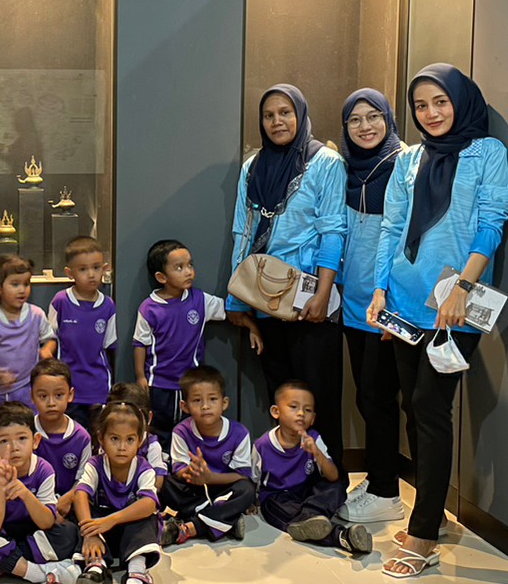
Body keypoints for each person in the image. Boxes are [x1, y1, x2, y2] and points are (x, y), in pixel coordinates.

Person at [367, 63, 508, 579]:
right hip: (405, 300)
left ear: (460, 101)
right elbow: (391, 228)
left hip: (456, 305)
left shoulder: (487, 152)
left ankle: (424, 532)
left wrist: (464, 289)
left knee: (430, 409)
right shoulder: (409, 158)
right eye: (421, 105)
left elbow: (492, 223)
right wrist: (379, 289)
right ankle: (433, 515)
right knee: (415, 407)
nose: (430, 113)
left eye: (440, 102)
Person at [226, 84, 348, 474]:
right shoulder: (253, 166)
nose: (277, 121)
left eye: (285, 113)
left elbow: (333, 231)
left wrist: (323, 293)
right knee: (281, 393)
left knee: (317, 395)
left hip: (310, 298)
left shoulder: (325, 162)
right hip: (265, 297)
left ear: (300, 114)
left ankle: (328, 482)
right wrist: (236, 299)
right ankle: (286, 478)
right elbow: (243, 231)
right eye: (268, 115)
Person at [333, 89, 412, 526]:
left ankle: (387, 492)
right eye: (355, 120)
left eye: (373, 116)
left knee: (380, 396)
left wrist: (391, 301)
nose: (365, 127)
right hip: (353, 305)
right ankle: (380, 479)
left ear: (389, 120)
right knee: (367, 396)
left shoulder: (405, 165)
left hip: (389, 303)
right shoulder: (346, 171)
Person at [0, 402, 82, 584]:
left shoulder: (44, 469)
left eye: (22, 438)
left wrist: (25, 493)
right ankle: (35, 573)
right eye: (4, 441)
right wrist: (1, 487)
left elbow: (47, 522)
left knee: (68, 533)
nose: (14, 447)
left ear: (36, 441)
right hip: (4, 532)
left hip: (35, 532)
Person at [252, 381, 371, 556]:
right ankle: (343, 537)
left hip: (308, 493)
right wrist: (250, 503)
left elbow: (333, 477)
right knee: (274, 506)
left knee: (336, 486)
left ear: (313, 418)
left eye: (307, 410)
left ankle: (310, 517)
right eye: (293, 407)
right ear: (276, 411)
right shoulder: (262, 445)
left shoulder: (314, 438)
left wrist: (317, 453)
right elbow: (253, 478)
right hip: (279, 496)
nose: (301, 413)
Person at [132, 238, 228, 452]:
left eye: (190, 265)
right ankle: (161, 466)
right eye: (179, 267)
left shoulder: (200, 300)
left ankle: (187, 466)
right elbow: (140, 343)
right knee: (159, 431)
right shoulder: (149, 308)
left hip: (191, 385)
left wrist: (252, 326)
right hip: (159, 384)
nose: (188, 272)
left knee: (190, 430)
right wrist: (140, 377)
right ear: (161, 277)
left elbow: (230, 310)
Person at [72, 400, 162, 584]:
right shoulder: (95, 465)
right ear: (101, 438)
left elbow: (149, 503)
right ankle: (97, 566)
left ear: (140, 440)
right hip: (102, 532)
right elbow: (80, 494)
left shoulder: (144, 468)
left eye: (129, 439)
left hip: (128, 531)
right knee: (85, 513)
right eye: (114, 439)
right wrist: (90, 533)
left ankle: (136, 573)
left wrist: (111, 520)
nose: (122, 447)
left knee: (145, 518)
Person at [159, 366, 255, 545]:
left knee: (247, 490)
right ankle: (226, 520)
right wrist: (193, 472)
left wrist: (210, 477)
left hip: (223, 488)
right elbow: (178, 471)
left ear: (224, 403)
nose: (205, 406)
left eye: (212, 399)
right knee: (165, 484)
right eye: (197, 400)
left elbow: (242, 475)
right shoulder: (181, 431)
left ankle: (191, 527)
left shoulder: (239, 433)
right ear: (185, 406)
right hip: (194, 489)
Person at [47, 236, 118, 426]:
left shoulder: (108, 306)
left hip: (98, 387)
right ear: (70, 273)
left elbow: (109, 346)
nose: (91, 274)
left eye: (96, 267)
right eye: (83, 269)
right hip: (68, 386)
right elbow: (49, 338)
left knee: (98, 433)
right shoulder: (61, 301)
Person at [0, 253, 56, 405]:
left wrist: (47, 350)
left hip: (31, 388)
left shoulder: (36, 314)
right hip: (1, 391)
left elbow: (50, 338)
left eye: (26, 284)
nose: (22, 290)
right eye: (15, 284)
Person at [28, 359, 93, 517]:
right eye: (43, 396)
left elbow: (83, 480)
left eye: (58, 395)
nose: (51, 403)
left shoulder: (81, 437)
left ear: (70, 395)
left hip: (67, 507)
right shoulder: (25, 432)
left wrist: (66, 500)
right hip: (30, 506)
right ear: (32, 396)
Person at [108, 380, 169, 494]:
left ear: (149, 418)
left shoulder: (151, 446)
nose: (127, 425)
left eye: (135, 418)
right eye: (120, 418)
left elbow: (158, 482)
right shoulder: (106, 441)